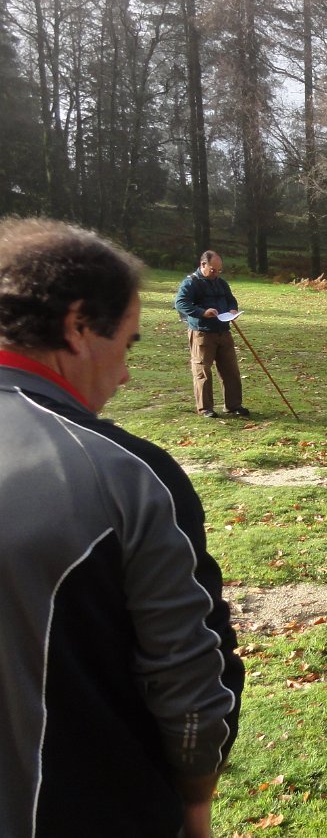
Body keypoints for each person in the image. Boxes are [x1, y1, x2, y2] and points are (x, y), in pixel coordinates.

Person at [0, 218, 244, 837]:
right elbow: (190, 676)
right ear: (78, 326)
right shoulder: (124, 473)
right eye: (128, 345)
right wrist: (196, 797)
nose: (127, 375)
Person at [175, 250, 249, 418]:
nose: (216, 273)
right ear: (203, 264)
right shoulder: (190, 283)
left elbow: (231, 300)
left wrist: (233, 309)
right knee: (202, 371)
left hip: (224, 331)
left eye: (219, 270)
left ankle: (233, 405)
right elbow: (180, 303)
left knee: (231, 370)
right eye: (213, 270)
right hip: (202, 333)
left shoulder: (221, 283)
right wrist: (202, 312)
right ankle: (205, 408)